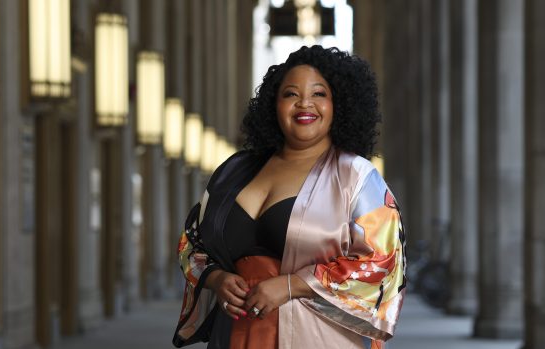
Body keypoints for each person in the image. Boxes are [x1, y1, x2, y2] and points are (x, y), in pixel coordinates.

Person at [173, 45, 406, 349]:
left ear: (340, 104)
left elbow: (383, 261)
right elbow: (192, 241)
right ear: (274, 105)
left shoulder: (356, 176)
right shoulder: (236, 169)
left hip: (316, 337)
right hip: (234, 334)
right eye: (290, 94)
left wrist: (292, 285)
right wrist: (216, 278)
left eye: (319, 94)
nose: (304, 104)